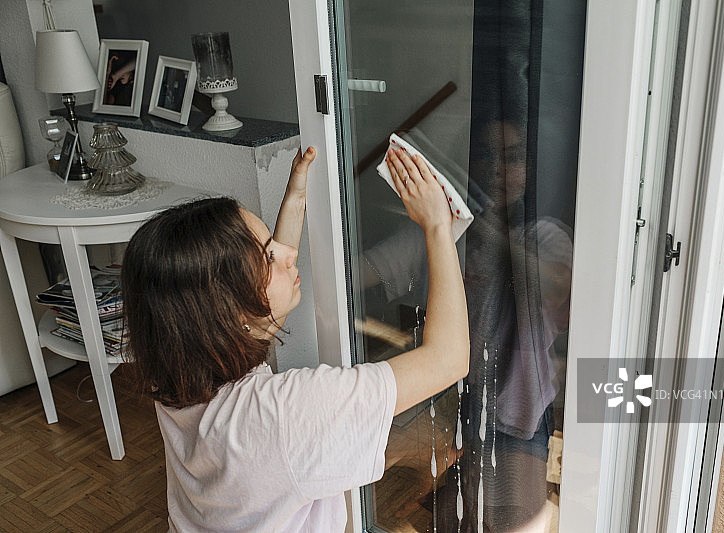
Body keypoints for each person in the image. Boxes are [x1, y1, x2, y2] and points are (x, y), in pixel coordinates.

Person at [121, 145, 469, 532]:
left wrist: (296, 197)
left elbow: (265, 310)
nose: (288, 255)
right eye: (269, 256)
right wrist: (437, 225)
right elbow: (449, 358)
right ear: (230, 314)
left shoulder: (178, 365)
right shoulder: (283, 413)